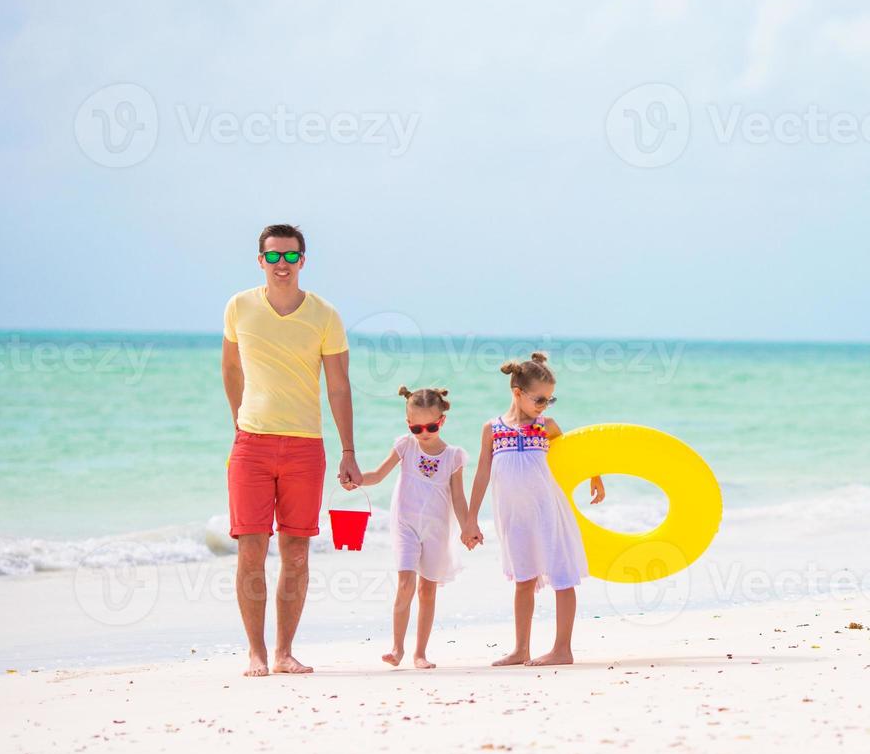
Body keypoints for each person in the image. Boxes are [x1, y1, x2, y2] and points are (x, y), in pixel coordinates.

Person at [221, 224, 361, 677]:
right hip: (252, 444)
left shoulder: (325, 315)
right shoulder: (239, 307)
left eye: (290, 256)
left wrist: (348, 450)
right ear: (260, 261)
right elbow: (230, 367)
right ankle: (256, 653)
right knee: (251, 550)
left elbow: (339, 387)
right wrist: (238, 421)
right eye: (273, 257)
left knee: (297, 551)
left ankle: (284, 652)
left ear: (303, 260)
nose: (282, 265)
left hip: (306, 446)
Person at [465, 352, 604, 667]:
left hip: (548, 513)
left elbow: (574, 453)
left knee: (562, 576)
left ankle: (562, 649)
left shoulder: (546, 426)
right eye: (540, 399)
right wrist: (471, 519)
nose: (545, 406)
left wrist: (595, 475)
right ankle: (521, 649)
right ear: (517, 393)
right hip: (514, 518)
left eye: (549, 400)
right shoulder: (492, 429)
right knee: (523, 580)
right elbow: (482, 473)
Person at [350, 386, 478, 670]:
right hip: (405, 523)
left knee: (427, 591)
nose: (424, 433)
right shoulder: (405, 446)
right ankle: (397, 648)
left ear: (442, 421)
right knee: (405, 583)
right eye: (417, 427)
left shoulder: (453, 456)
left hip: (437, 528)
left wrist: (468, 525)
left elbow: (458, 497)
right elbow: (377, 475)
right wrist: (356, 479)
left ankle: (420, 653)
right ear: (408, 424)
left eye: (431, 426)